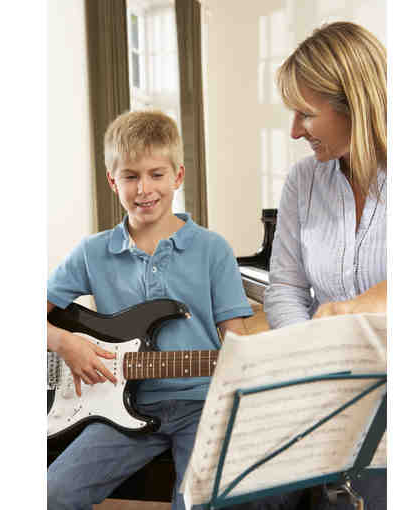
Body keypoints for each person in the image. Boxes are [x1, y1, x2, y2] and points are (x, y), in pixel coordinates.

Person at [46, 110, 253, 510]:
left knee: (197, 503)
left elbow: (238, 339)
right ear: (112, 181)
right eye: (130, 176)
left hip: (203, 406)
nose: (144, 189)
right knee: (52, 493)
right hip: (119, 408)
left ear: (178, 176)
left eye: (157, 174)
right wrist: (64, 342)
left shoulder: (212, 249)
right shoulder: (93, 252)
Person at [264, 21, 387, 509]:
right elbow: (284, 288)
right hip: (322, 384)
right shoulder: (303, 181)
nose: (294, 131)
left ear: (354, 104)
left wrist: (351, 310)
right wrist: (308, 358)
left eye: (305, 114)